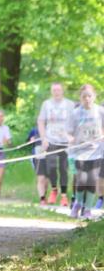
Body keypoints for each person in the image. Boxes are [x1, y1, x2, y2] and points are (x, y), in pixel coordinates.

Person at [66, 84, 103, 219]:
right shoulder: (75, 113)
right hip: (79, 153)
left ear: (94, 96)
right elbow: (68, 133)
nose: (87, 99)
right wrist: (72, 139)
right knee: (82, 180)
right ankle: (77, 204)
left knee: (92, 180)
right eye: (84, 96)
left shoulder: (100, 111)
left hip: (96, 152)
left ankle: (87, 209)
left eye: (89, 96)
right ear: (80, 98)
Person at [38, 83, 75, 208]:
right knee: (51, 168)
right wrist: (43, 138)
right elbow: (41, 121)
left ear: (62, 91)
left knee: (64, 169)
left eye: (58, 90)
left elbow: (76, 121)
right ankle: (54, 189)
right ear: (51, 91)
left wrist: (72, 137)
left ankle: (64, 195)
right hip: (51, 140)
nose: (56, 92)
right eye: (54, 90)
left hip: (65, 142)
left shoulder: (69, 104)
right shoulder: (46, 104)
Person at [26, 124, 50, 205]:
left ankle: (44, 195)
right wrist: (31, 140)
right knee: (41, 178)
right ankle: (42, 199)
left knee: (46, 180)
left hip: (49, 156)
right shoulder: (34, 130)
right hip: (38, 156)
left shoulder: (52, 130)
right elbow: (28, 142)